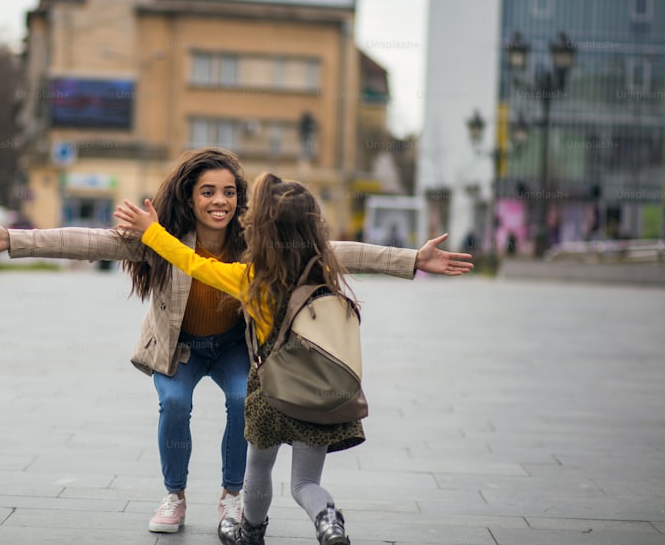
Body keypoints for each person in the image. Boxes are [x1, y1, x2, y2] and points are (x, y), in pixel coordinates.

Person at [0, 148, 474, 539]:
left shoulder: (256, 243)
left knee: (241, 401)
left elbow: (336, 250)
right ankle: (174, 496)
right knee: (174, 403)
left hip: (229, 347)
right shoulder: (160, 237)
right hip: (178, 348)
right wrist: (15, 240)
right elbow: (88, 242)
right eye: (208, 192)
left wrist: (409, 260)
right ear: (190, 197)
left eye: (228, 192)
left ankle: (230, 497)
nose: (220, 201)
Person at [114, 173, 472, 545]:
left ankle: (250, 530)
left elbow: (191, 263)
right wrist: (415, 260)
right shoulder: (325, 271)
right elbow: (357, 252)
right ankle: (328, 519)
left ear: (261, 233)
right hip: (318, 392)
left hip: (273, 393)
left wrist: (152, 231)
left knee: (259, 467)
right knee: (305, 483)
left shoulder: (250, 278)